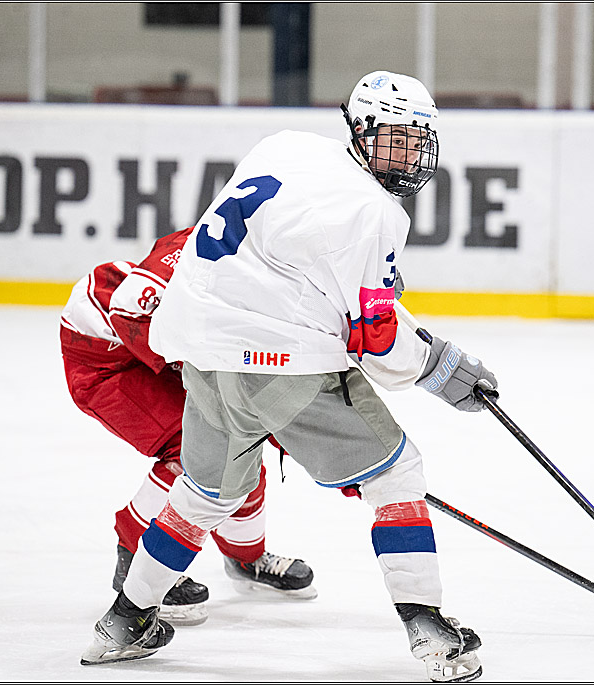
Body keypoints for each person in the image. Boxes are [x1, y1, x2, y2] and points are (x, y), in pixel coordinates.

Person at [80, 71, 497, 683]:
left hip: (201, 348)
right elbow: (376, 343)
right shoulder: (376, 212)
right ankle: (430, 631)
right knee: (398, 475)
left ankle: (123, 621)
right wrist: (437, 368)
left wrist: (359, 291)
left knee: (202, 496)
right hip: (280, 364)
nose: (406, 155)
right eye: (392, 141)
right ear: (360, 131)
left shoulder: (285, 145)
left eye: (416, 141)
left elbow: (277, 259)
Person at [60, 226, 318, 627]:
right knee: (193, 448)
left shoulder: (273, 263)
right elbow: (130, 311)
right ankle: (133, 555)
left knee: (242, 446)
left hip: (161, 345)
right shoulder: (203, 245)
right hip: (106, 356)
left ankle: (246, 558)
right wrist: (200, 370)